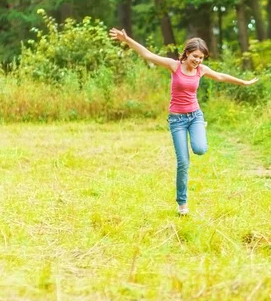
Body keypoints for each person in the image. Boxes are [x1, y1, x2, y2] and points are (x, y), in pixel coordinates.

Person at [109, 28, 258, 215]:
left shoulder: (201, 70)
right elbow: (148, 54)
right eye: (195, 56)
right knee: (183, 163)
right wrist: (127, 39)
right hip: (177, 121)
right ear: (187, 53)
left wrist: (243, 82)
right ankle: (182, 203)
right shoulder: (174, 66)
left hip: (195, 116)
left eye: (201, 58)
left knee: (200, 149)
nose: (198, 60)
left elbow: (220, 76)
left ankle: (200, 128)